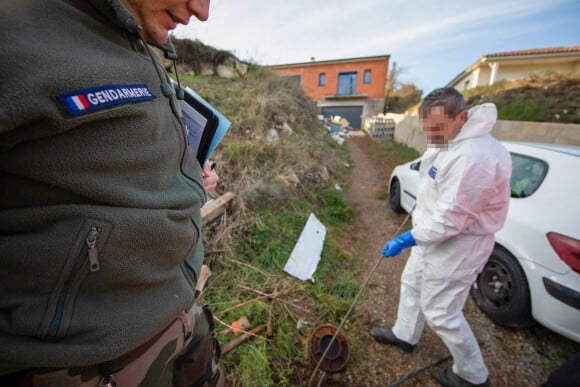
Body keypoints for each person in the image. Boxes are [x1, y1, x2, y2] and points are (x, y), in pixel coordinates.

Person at [0, 0, 224, 386]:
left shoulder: (137, 38)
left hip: (183, 321)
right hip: (90, 368)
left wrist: (185, 176)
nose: (201, 12)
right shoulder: (17, 28)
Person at [371, 88, 512, 387]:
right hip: (430, 236)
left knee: (441, 312)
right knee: (411, 282)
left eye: (437, 129)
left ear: (461, 117)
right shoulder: (450, 139)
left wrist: (406, 238)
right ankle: (405, 335)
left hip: (459, 246)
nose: (431, 135)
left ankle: (473, 375)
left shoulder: (476, 157)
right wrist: (418, 227)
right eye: (427, 129)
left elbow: (452, 219)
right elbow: (434, 186)